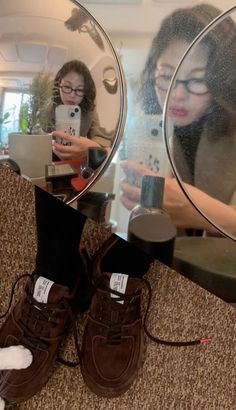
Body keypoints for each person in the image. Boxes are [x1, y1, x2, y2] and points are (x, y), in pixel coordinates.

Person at [120, 3, 236, 236]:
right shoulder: (149, 132)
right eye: (166, 75)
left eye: (197, 79)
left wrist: (196, 210)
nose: (177, 94)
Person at [49, 59, 112, 160]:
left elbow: (98, 136)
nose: (72, 95)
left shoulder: (90, 110)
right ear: (58, 85)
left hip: (75, 161)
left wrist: (90, 148)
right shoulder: (48, 108)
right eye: (67, 86)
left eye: (80, 89)